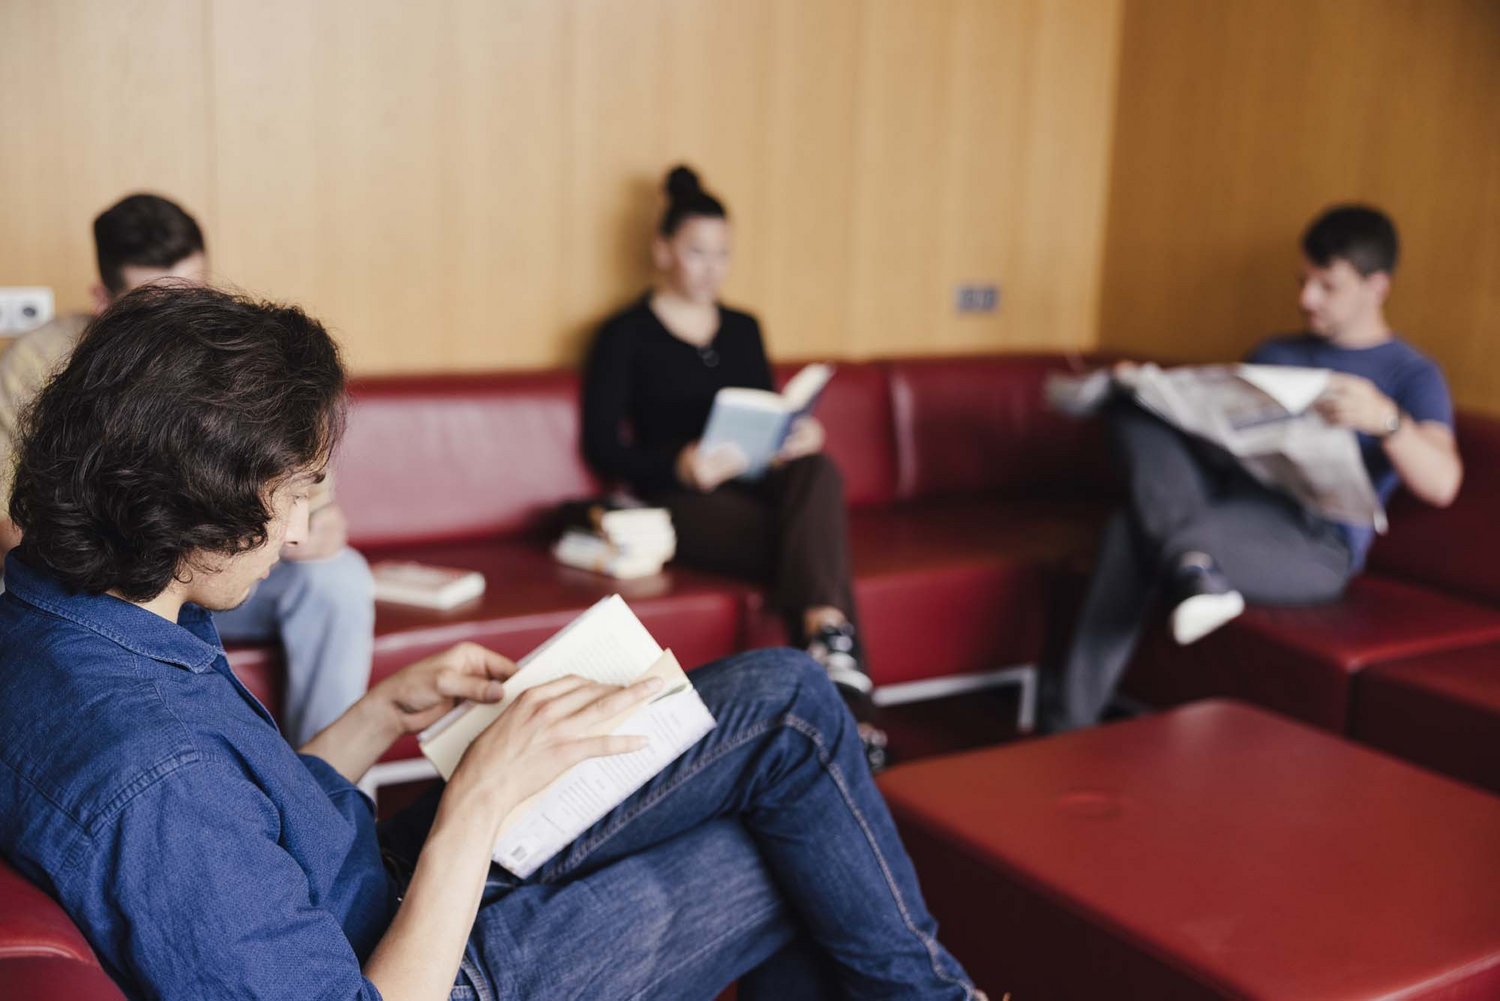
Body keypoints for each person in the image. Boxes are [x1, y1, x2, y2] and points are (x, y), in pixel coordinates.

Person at [0, 283, 981, 1001]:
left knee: (786, 693)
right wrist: (478, 799)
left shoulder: (78, 611)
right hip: (431, 963)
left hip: (376, 886)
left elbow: (255, 822)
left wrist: (382, 711)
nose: (304, 535)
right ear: (186, 508)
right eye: (295, 496)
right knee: (795, 851)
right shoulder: (151, 775)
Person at [1044, 204, 1462, 732]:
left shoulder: (1411, 374)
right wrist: (1153, 391)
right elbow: (1220, 441)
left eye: (1326, 286)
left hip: (1313, 542)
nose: (1305, 299)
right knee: (1130, 405)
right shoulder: (1276, 350)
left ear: (1377, 286)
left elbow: (1444, 483)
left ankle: (1064, 727)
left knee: (1127, 534)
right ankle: (1192, 560)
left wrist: (1387, 421)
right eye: (1303, 281)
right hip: (1227, 504)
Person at [0, 192, 373, 743]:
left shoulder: (236, 353)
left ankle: (332, 790)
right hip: (108, 584)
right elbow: (15, 526)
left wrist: (320, 523)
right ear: (105, 299)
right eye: (155, 298)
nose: (182, 314)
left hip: (228, 564)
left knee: (338, 576)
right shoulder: (37, 363)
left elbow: (309, 498)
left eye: (196, 293)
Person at [583, 165, 887, 769]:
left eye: (723, 254)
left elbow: (764, 414)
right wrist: (679, 464)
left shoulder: (745, 327)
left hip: (760, 485)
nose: (712, 268)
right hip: (682, 500)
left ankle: (828, 656)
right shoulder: (624, 335)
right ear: (662, 249)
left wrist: (795, 434)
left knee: (819, 469)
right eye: (697, 252)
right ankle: (847, 691)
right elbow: (601, 446)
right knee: (812, 543)